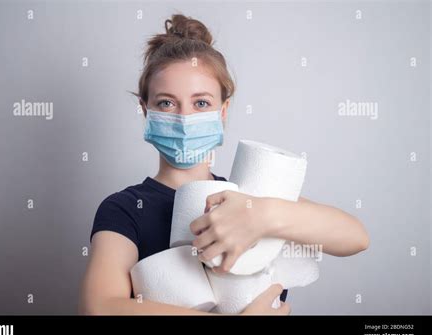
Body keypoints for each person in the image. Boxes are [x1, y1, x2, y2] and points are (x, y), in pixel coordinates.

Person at [78, 14, 369, 315]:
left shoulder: (250, 196)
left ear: (223, 110)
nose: (184, 118)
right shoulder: (125, 208)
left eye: (201, 103)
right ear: (145, 109)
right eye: (166, 103)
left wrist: (264, 215)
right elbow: (99, 307)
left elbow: (355, 237)